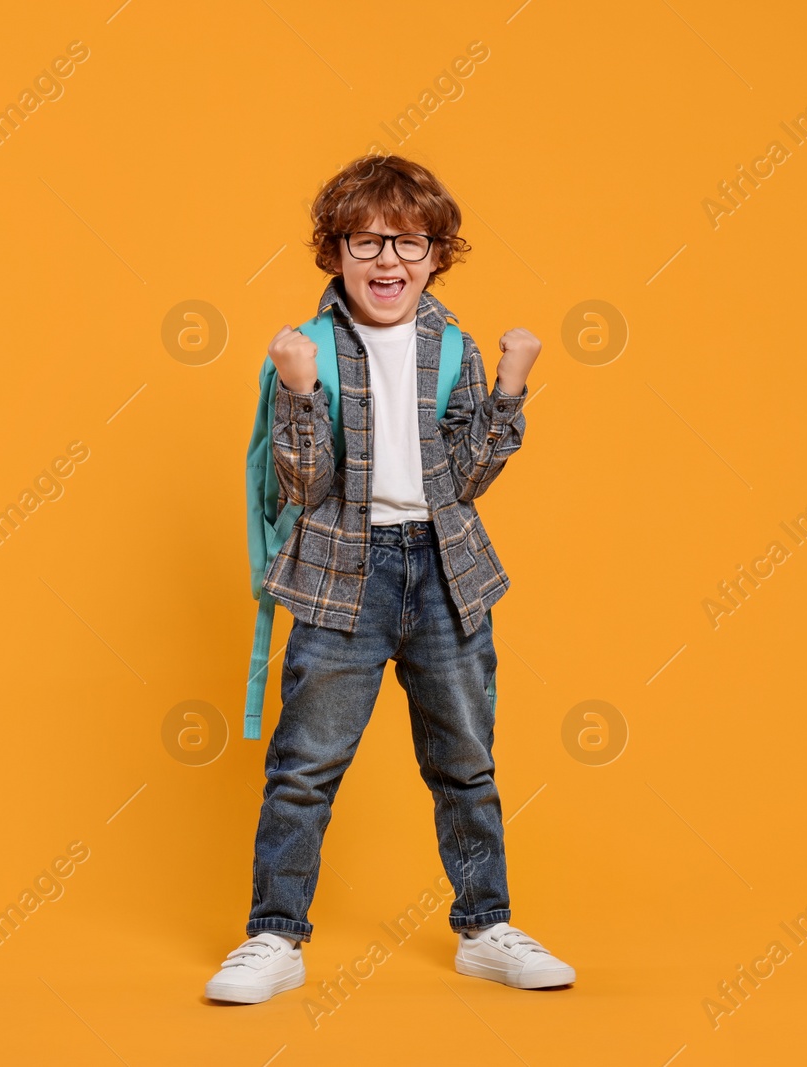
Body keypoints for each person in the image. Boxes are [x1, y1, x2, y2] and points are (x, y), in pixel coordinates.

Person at [205, 154, 574, 1004]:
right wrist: (298, 393)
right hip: (343, 576)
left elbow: (468, 476)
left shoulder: (453, 349)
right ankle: (274, 935)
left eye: (409, 241)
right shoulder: (307, 350)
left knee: (466, 763)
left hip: (447, 571)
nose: (388, 260)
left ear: (437, 254)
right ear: (335, 251)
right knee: (305, 766)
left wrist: (512, 386)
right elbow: (300, 487)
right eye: (366, 240)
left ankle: (486, 927)